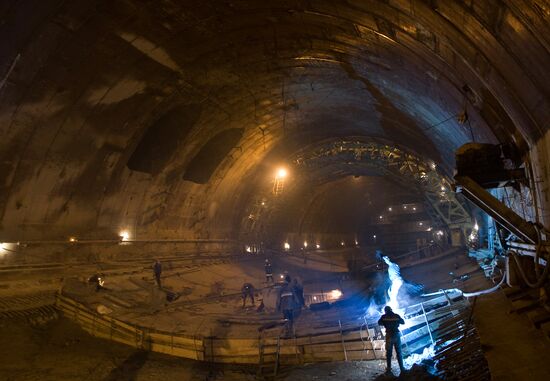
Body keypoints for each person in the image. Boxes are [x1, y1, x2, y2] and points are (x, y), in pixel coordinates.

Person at [378, 306, 406, 374]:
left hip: (389, 335)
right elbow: (403, 322)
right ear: (391, 309)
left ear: (385, 311)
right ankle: (402, 369)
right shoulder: (396, 315)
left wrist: (385, 323)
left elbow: (379, 323)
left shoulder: (383, 317)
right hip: (396, 335)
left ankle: (389, 370)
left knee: (389, 353)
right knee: (399, 352)